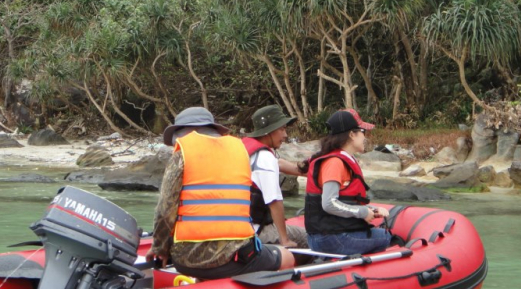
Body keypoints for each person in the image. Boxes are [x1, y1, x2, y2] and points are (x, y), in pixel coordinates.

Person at [145, 107, 295, 280]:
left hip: (186, 259)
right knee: (287, 257)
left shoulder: (181, 155)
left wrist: (159, 248)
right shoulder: (239, 151)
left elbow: (165, 211)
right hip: (235, 256)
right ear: (214, 130)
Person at [303, 108, 391, 255]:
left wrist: (371, 209)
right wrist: (363, 212)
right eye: (363, 132)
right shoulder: (335, 163)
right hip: (330, 238)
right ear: (352, 134)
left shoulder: (338, 158)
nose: (365, 137)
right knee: (385, 237)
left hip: (328, 236)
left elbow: (346, 201)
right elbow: (329, 203)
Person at [242, 105, 309, 250]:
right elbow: (274, 200)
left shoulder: (247, 150)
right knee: (308, 237)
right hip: (257, 232)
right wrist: (284, 240)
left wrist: (305, 172)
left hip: (239, 227)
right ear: (268, 132)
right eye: (282, 129)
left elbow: (277, 163)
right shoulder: (264, 157)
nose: (285, 135)